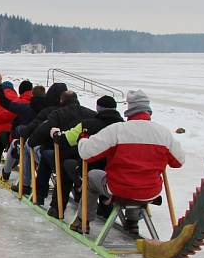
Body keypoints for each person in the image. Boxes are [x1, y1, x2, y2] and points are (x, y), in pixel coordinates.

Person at [69, 90, 185, 234]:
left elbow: (86, 153)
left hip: (119, 189)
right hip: (151, 192)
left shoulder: (117, 130)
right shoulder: (163, 133)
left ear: (129, 109)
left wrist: (83, 139)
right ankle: (132, 222)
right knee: (138, 180)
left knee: (92, 176)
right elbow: (179, 162)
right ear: (148, 110)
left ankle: (82, 221)